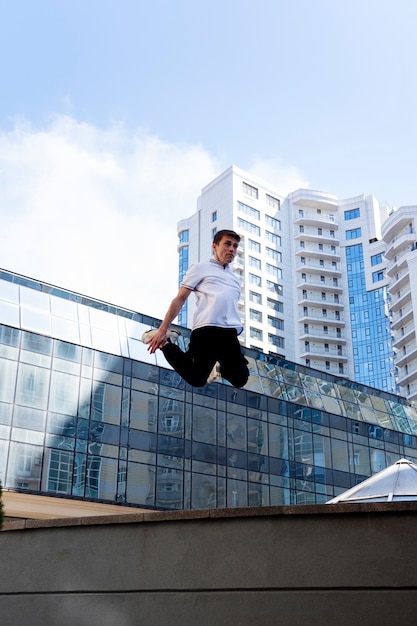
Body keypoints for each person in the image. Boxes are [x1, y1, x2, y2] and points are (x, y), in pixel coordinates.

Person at [142, 229, 249, 388]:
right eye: (227, 244)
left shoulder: (235, 280)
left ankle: (217, 368)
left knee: (241, 379)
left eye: (235, 246)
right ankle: (167, 343)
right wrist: (163, 328)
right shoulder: (200, 268)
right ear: (215, 246)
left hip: (229, 333)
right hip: (207, 330)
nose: (232, 249)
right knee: (196, 379)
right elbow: (180, 299)